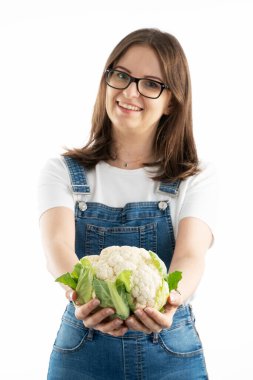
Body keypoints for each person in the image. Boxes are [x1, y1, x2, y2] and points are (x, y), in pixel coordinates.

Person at [38, 28, 217, 379]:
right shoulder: (63, 171)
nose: (130, 91)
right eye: (121, 76)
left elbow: (191, 254)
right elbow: (57, 246)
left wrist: (171, 300)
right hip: (81, 351)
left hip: (171, 354)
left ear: (172, 102)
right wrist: (79, 294)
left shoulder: (194, 177)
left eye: (151, 83)